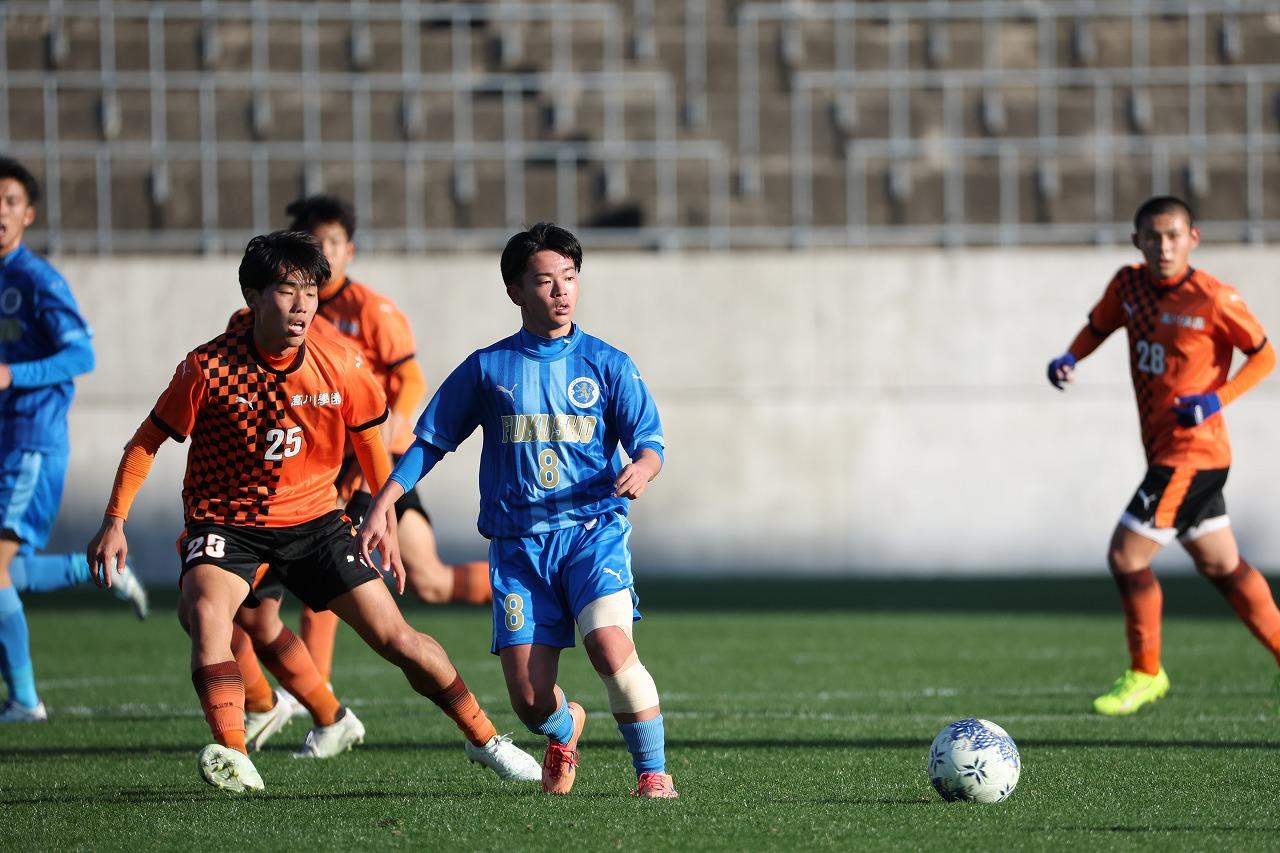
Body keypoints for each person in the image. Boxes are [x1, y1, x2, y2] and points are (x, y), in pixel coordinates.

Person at [87, 231, 541, 792]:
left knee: (397, 639)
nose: (303, 305)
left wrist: (383, 517)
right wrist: (115, 521)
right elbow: (146, 442)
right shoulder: (208, 367)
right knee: (204, 614)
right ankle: (235, 755)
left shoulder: (340, 363)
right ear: (253, 297)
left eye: (310, 292)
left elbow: (373, 442)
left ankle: (485, 739)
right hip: (227, 524)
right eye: (287, 291)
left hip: (316, 523)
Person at [357, 222, 679, 798]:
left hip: (592, 532)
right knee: (530, 702)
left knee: (610, 647)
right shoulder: (488, 368)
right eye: (545, 280)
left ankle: (653, 774)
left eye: (570, 277)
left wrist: (644, 467)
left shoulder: (608, 363)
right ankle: (564, 729)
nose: (561, 290)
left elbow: (650, 440)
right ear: (515, 290)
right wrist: (386, 498)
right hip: (518, 547)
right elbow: (430, 441)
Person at [1047, 195, 1280, 716]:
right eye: (1153, 237)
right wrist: (1070, 356)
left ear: (1193, 238)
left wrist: (1215, 400)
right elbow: (1099, 326)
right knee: (1222, 565)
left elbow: (1265, 355)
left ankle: (1146, 672)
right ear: (1137, 241)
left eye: (1174, 235)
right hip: (1166, 452)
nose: (1164, 247)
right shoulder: (1128, 286)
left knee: (1126, 556)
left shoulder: (1213, 298)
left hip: (1193, 454)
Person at [278, 195, 491, 707]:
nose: (325, 251)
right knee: (417, 580)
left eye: (333, 242)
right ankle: (313, 697)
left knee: (399, 577)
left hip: (375, 463)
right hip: (320, 465)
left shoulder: (371, 310)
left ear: (349, 250)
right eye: (315, 242)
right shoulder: (289, 310)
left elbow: (410, 380)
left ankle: (312, 696)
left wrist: (383, 447)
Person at [0, 156, 146, 724]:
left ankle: (24, 699)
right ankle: (100, 570)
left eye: (10, 201)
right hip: (8, 441)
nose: (0, 211)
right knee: (9, 572)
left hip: (31, 443)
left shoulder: (37, 280)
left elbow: (81, 354)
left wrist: (14, 374)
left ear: (28, 214)